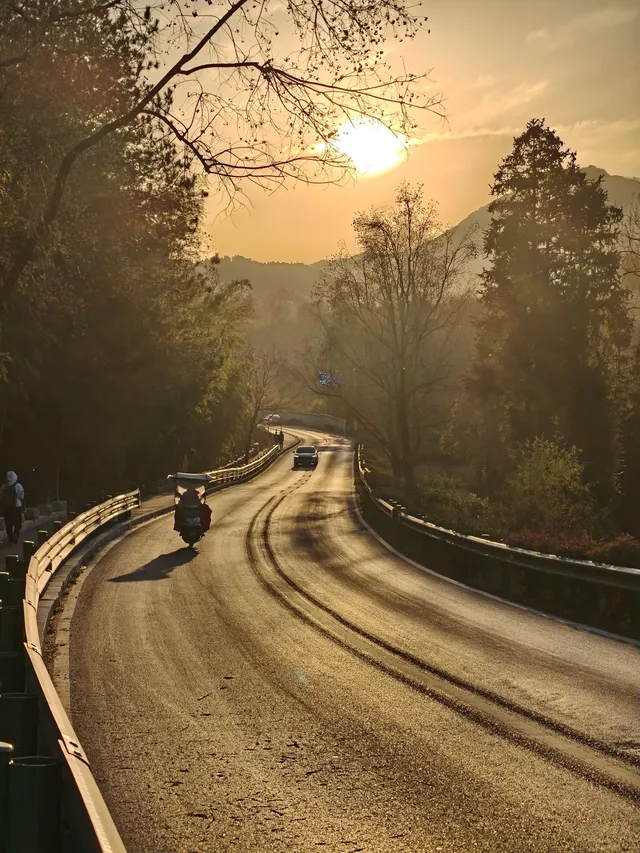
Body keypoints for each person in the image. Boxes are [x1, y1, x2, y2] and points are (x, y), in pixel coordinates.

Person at [1, 471, 25, 545]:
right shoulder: (18, 486)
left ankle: (10, 540)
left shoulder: (3, 486)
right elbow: (21, 497)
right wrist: (23, 507)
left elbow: (1, 497)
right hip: (17, 507)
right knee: (18, 523)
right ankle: (16, 533)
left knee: (8, 524)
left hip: (7, 508)